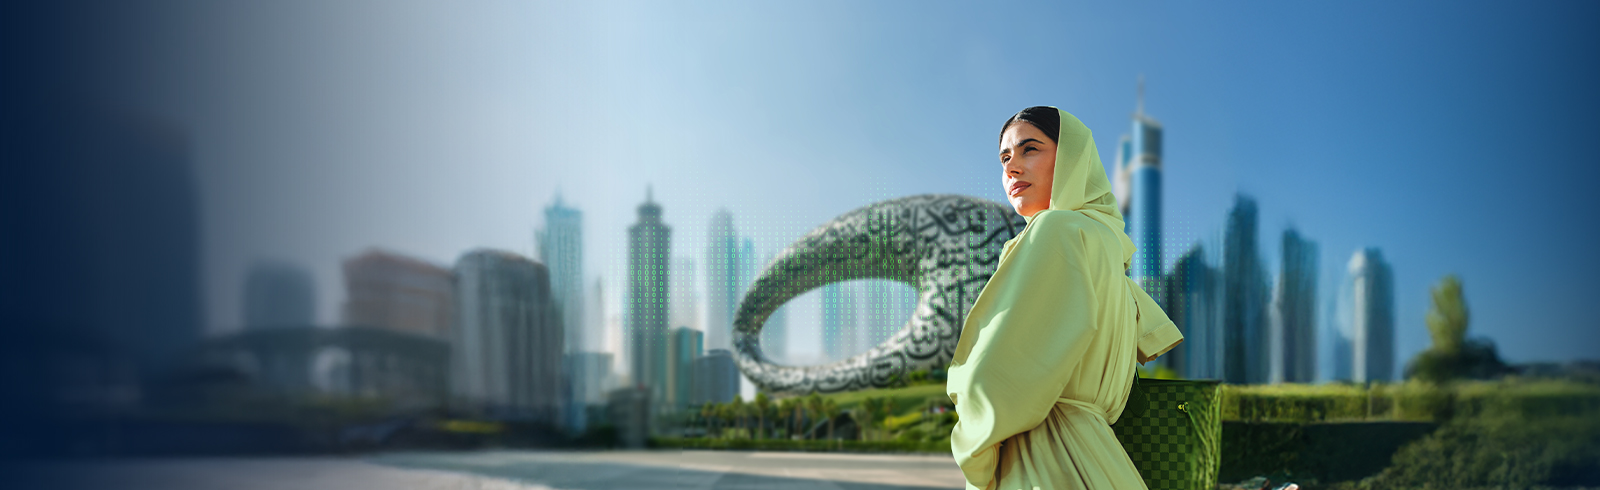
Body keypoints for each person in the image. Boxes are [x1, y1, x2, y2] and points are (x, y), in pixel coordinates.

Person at [946, 106, 1184, 489]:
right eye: (1005, 157)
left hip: (1041, 460)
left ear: (1072, 158)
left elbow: (993, 379)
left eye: (1030, 150)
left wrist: (975, 455)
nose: (1012, 168)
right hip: (1101, 458)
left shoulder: (1057, 231)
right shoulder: (1106, 247)